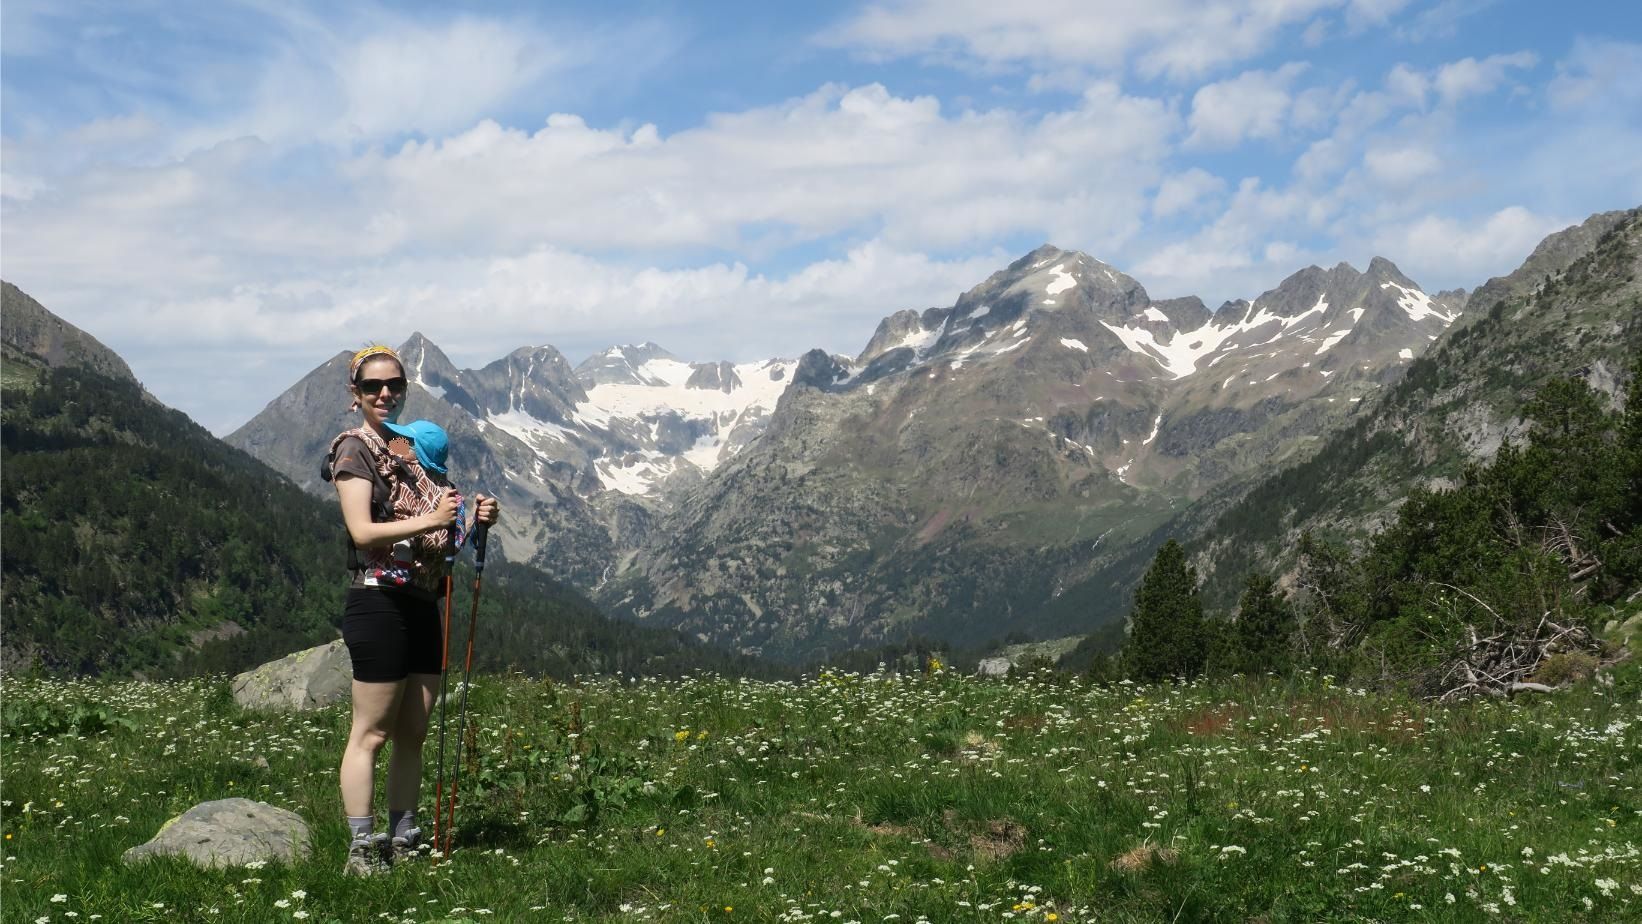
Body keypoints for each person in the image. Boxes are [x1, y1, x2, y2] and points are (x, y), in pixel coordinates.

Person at [327, 344, 499, 875]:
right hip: (378, 600)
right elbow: (362, 532)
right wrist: (431, 521)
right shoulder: (353, 449)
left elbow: (441, 540)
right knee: (372, 732)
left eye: (394, 385)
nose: (385, 394)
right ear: (355, 394)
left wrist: (473, 521)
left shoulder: (410, 448)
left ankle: (403, 835)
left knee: (413, 733)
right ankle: (362, 847)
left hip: (424, 600)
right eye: (373, 386)